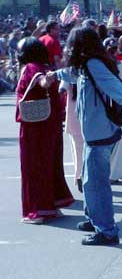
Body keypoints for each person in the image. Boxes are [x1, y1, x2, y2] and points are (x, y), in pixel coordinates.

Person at [52, 27, 122, 246]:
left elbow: (112, 86)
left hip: (99, 134)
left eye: (72, 43)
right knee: (90, 179)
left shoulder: (93, 65)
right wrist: (53, 75)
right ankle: (95, 219)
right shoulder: (87, 65)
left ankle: (106, 230)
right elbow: (70, 73)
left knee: (95, 183)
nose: (69, 47)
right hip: (96, 133)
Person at [15, 37, 74, 224]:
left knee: (34, 166)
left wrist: (45, 81)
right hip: (51, 124)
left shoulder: (32, 68)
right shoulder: (46, 67)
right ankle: (52, 205)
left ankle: (38, 210)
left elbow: (41, 82)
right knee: (51, 164)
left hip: (35, 127)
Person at [104, 37, 122, 183]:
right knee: (121, 139)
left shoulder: (100, 67)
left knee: (107, 140)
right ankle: (116, 172)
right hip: (121, 106)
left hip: (105, 107)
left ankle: (108, 173)